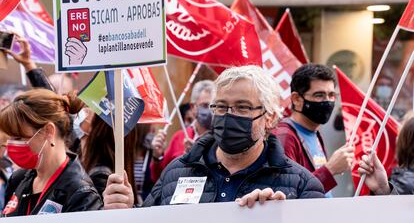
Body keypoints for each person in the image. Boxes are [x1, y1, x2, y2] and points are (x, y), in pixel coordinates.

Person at [103, 65, 325, 210]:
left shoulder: (301, 186)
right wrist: (125, 211)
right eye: (220, 107)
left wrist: (280, 217)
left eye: (242, 107)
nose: (228, 116)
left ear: (270, 118)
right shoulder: (176, 172)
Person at [0, 89, 102, 216]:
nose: (10, 145)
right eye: (9, 138)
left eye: (18, 138)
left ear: (48, 131)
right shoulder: (18, 179)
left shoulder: (80, 193)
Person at [273, 64, 354, 195]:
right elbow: (287, 195)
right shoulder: (285, 137)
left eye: (331, 95)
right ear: (296, 99)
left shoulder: (314, 132)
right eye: (319, 95)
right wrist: (330, 170)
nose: (327, 102)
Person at [150, 80, 215, 182]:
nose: (211, 111)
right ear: (193, 107)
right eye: (205, 105)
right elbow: (159, 177)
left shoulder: (221, 138)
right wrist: (157, 156)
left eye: (214, 106)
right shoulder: (179, 137)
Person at [358, 115, 414, 195]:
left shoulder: (405, 184)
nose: (396, 140)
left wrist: (384, 191)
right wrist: (383, 190)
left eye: (399, 136)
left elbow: (396, 207)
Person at [124, 124, 155, 205]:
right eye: (150, 130)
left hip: (146, 205)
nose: (153, 133)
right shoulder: (125, 153)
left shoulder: (151, 154)